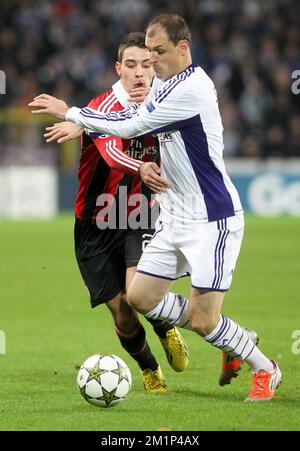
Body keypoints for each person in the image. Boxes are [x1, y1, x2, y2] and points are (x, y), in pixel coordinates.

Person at [29, 15, 281, 402]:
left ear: (184, 48)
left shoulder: (191, 89)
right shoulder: (166, 85)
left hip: (211, 217)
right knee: (142, 298)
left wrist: (72, 112)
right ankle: (229, 335)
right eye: (148, 54)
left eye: (158, 53)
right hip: (174, 216)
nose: (152, 63)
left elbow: (132, 127)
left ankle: (264, 367)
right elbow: (127, 116)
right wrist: (89, 125)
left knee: (201, 318)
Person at [32, 32, 190, 394]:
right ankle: (149, 368)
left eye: (146, 65)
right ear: (119, 68)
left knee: (138, 291)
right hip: (95, 221)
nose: (139, 73)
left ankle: (166, 327)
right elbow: (111, 154)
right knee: (121, 310)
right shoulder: (101, 108)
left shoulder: (164, 102)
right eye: (131, 65)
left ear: (155, 67)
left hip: (137, 213)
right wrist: (86, 123)